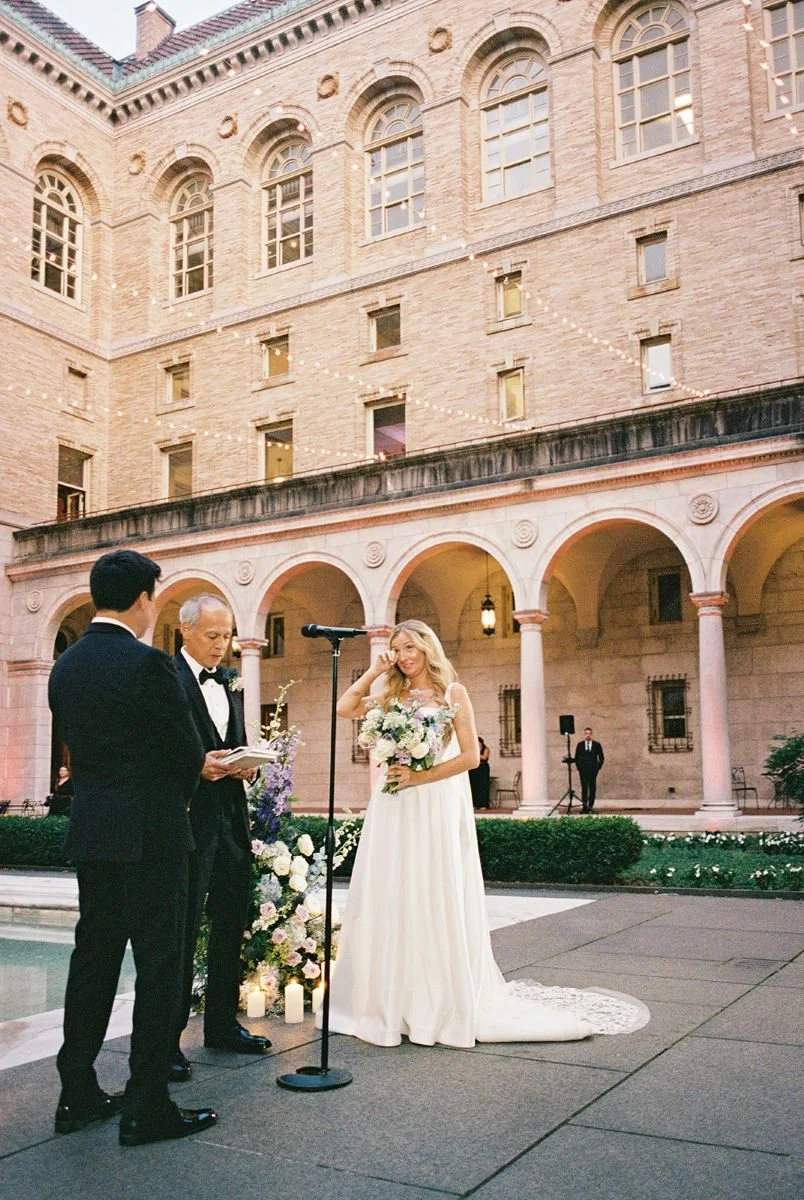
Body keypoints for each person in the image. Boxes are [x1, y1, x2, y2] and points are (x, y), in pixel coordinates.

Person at [322, 620, 648, 1048]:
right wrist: (375, 670)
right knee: (393, 889)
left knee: (430, 889)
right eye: (397, 648)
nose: (403, 655)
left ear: (427, 647)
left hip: (430, 800)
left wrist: (422, 776)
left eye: (409, 647)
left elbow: (472, 756)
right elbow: (345, 708)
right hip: (393, 804)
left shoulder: (453, 693)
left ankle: (433, 998)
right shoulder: (391, 692)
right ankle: (388, 997)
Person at [48, 549, 217, 1147]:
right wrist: (199, 773)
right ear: (143, 599)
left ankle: (77, 1091)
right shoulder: (148, 665)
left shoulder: (65, 666)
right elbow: (182, 752)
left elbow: (83, 750)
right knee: (159, 969)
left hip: (94, 834)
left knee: (91, 964)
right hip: (151, 837)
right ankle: (147, 1106)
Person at [169, 594, 270, 1083]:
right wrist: (195, 767)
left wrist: (247, 768)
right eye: (212, 636)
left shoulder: (230, 683)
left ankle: (221, 1025)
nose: (221, 646)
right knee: (181, 933)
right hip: (187, 825)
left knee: (232, 922)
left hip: (231, 821)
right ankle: (165, 1040)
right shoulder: (166, 680)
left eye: (227, 636)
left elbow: (233, 736)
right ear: (184, 631)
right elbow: (154, 751)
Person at [574, 726, 605, 813]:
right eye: (586, 733)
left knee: (592, 788)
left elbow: (601, 758)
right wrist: (579, 768)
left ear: (592, 734)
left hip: (593, 770)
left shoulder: (597, 745)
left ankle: (590, 806)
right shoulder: (580, 745)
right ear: (584, 734)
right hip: (583, 770)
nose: (588, 735)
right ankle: (584, 807)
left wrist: (597, 768)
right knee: (584, 788)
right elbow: (577, 757)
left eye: (590, 733)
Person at [468, 736, 491, 808]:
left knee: (483, 786)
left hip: (483, 768)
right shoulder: (472, 749)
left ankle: (483, 804)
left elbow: (485, 757)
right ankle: (475, 804)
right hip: (474, 768)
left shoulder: (486, 749)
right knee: (474, 786)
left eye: (479, 743)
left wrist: (476, 754)